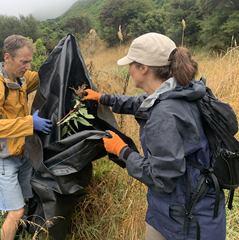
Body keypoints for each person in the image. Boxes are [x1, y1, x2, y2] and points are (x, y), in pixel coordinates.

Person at [82, 32, 226, 240]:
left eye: (131, 64)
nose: (128, 70)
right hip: (198, 208)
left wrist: (121, 151)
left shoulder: (163, 115)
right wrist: (104, 98)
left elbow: (161, 179)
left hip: (185, 222)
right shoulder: (184, 91)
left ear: (143, 67)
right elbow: (142, 102)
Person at [0, 35, 52, 240]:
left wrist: (61, 56)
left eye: (30, 61)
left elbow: (45, 75)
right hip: (4, 158)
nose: (28, 67)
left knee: (26, 200)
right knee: (16, 211)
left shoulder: (21, 78)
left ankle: (18, 235)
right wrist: (30, 123)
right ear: (7, 58)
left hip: (22, 153)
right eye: (24, 62)